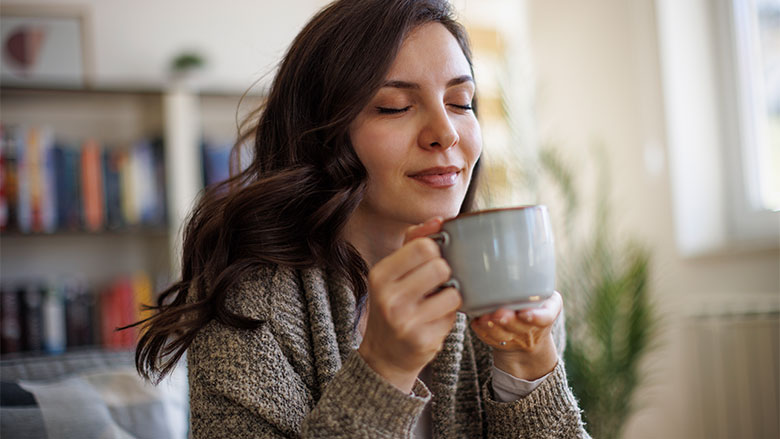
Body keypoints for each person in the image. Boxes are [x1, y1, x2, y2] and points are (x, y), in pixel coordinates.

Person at [133, 0, 590, 437]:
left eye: (461, 101)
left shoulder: (503, 287)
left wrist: (530, 368)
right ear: (324, 134)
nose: (446, 133)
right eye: (395, 106)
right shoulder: (249, 310)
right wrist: (384, 370)